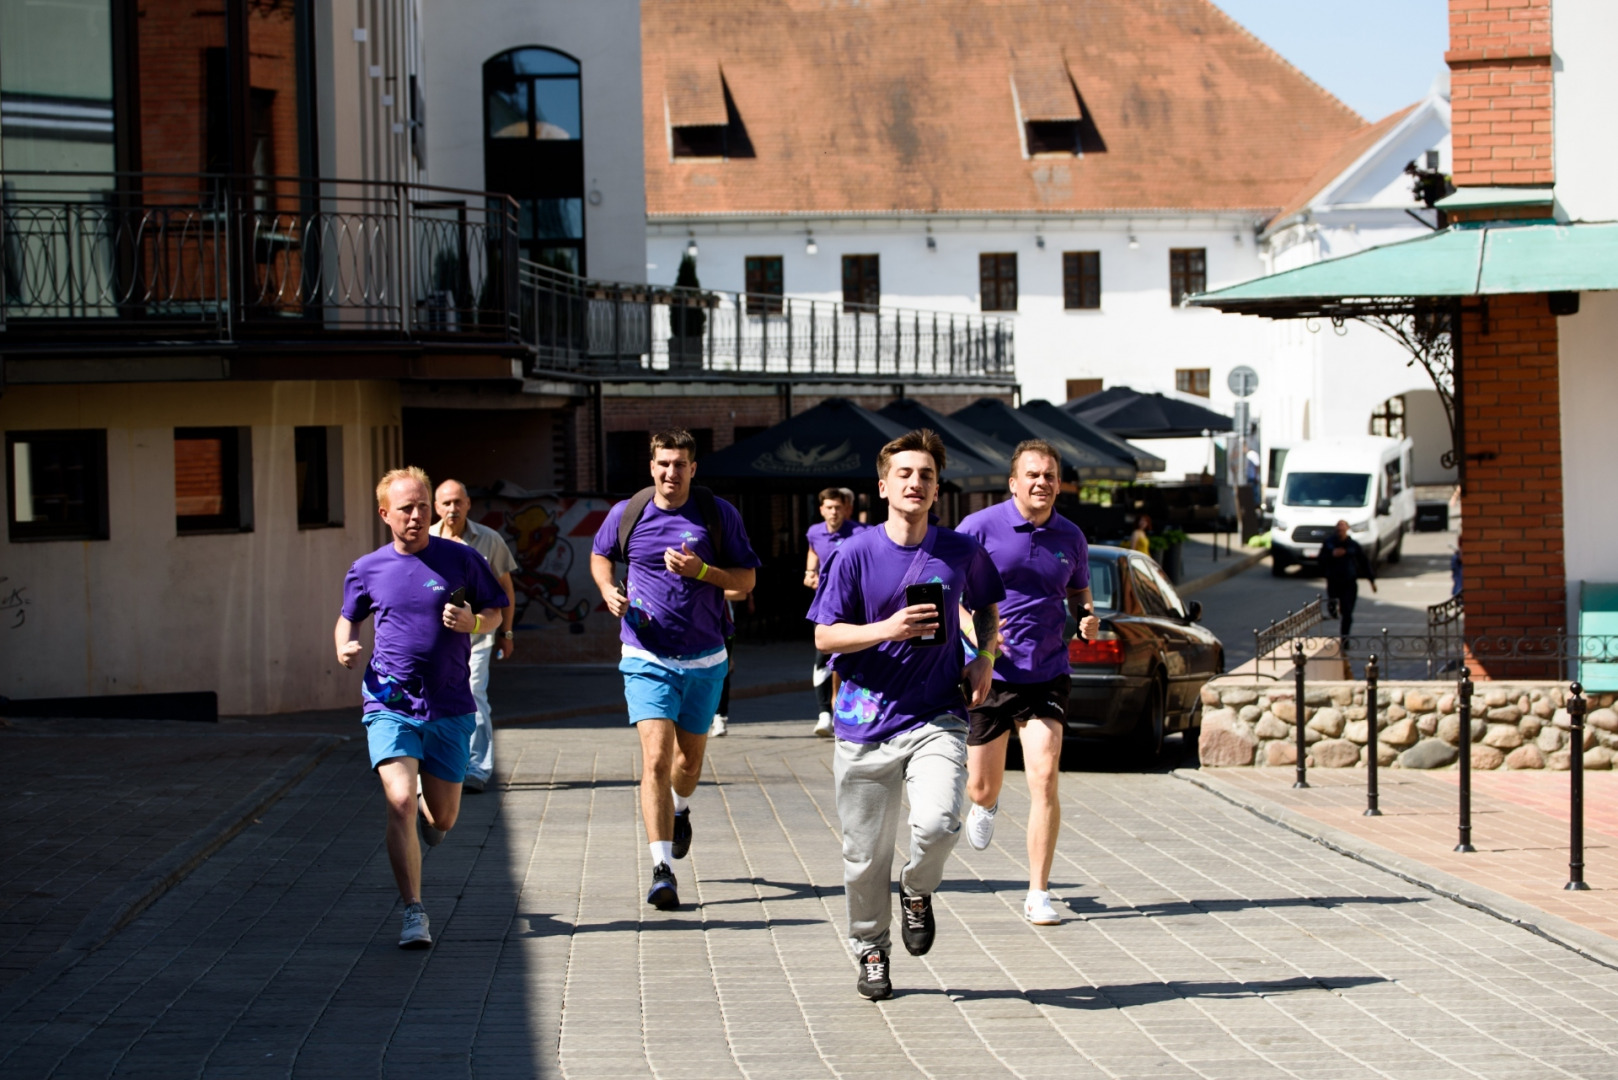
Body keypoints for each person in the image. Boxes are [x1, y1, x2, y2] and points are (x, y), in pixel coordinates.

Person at [808, 428, 1004, 1001]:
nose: (915, 482)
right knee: (865, 856)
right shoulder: (853, 553)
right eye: (904, 474)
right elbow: (824, 635)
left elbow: (988, 604)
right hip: (864, 725)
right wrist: (886, 630)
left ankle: (917, 889)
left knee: (940, 822)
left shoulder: (961, 551)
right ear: (883, 485)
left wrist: (985, 657)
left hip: (937, 714)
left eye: (925, 475)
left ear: (937, 488)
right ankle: (871, 948)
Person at [334, 467, 508, 949]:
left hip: (450, 705)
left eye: (422, 506)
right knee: (399, 802)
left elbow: (495, 608)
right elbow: (347, 620)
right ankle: (414, 911)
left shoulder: (463, 559)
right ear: (384, 514)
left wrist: (476, 621)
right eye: (406, 508)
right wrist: (346, 647)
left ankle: (430, 823)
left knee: (444, 819)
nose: (416, 515)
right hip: (389, 701)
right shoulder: (368, 568)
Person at [589, 430, 761, 910]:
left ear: (693, 468)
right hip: (645, 655)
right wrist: (606, 589)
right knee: (655, 760)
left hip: (706, 657)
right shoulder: (630, 513)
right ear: (651, 466)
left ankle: (681, 809)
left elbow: (745, 582)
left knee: (688, 765)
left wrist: (702, 572)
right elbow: (601, 554)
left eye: (680, 464)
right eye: (664, 463)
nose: (671, 472)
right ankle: (662, 869)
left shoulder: (717, 515)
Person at [957, 440, 1099, 926]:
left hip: (1048, 672)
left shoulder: (1072, 536)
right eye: (1033, 475)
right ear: (1014, 482)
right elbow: (950, 591)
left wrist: (1085, 616)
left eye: (1051, 476)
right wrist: (977, 642)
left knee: (1044, 775)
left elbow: (1079, 590)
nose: (1042, 483)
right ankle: (987, 803)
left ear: (1060, 484)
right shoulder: (979, 528)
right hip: (990, 672)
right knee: (979, 786)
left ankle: (1038, 891)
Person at [429, 480, 517, 793]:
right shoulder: (426, 541)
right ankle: (444, 765)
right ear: (436, 508)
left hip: (479, 637)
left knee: (474, 698)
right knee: (436, 700)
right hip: (437, 642)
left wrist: (506, 631)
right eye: (445, 503)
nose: (452, 509)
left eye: (457, 502)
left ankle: (477, 769)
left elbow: (505, 588)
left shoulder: (489, 540)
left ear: (468, 503)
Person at [804, 487, 864, 737]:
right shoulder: (814, 532)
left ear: (846, 509)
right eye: (829, 507)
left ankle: (842, 706)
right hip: (824, 606)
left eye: (838, 507)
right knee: (822, 657)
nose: (833, 512)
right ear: (821, 510)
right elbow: (813, 552)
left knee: (845, 658)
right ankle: (824, 714)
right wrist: (809, 574)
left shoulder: (860, 533)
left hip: (852, 607)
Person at [1317, 519, 1377, 640]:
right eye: (1338, 528)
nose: (1340, 531)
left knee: (1347, 612)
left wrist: (1371, 581)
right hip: (1334, 581)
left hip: (1349, 582)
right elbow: (1321, 559)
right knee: (1333, 604)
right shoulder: (1329, 543)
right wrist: (1331, 555)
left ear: (1347, 529)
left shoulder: (1353, 545)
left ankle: (1345, 638)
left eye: (1343, 528)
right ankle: (1333, 609)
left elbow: (1363, 562)